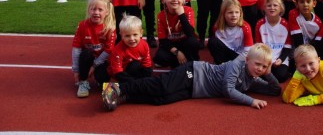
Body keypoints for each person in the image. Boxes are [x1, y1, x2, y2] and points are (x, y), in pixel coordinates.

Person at [102, 43, 281, 111]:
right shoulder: (237, 64)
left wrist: (269, 73)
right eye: (257, 64)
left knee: (162, 99)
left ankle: (127, 96)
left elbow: (274, 91)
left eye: (263, 66)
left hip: (194, 90)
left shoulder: (253, 79)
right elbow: (228, 89)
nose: (260, 68)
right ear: (248, 59)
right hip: (194, 72)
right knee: (162, 86)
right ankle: (116, 88)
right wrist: (251, 101)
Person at [71, 0, 116, 98]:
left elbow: (108, 51)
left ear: (107, 12)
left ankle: (99, 79)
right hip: (88, 57)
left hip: (102, 60)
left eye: (100, 10)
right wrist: (76, 70)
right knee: (85, 54)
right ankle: (83, 82)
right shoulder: (82, 25)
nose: (96, 12)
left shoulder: (110, 28)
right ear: (88, 10)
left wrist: (94, 66)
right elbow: (76, 49)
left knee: (102, 77)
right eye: (93, 9)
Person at [152, 0, 199, 68]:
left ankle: (191, 62)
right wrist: (177, 52)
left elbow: (190, 34)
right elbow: (163, 40)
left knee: (193, 42)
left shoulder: (188, 11)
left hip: (185, 43)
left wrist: (181, 15)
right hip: (171, 45)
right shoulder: (161, 15)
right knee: (160, 57)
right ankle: (179, 60)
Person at [255, 0, 292, 83]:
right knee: (258, 73)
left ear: (281, 9)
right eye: (269, 5)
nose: (272, 8)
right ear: (264, 8)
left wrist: (281, 59)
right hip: (264, 58)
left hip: (280, 58)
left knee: (281, 76)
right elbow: (258, 46)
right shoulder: (260, 23)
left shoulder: (285, 24)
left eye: (275, 5)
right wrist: (266, 60)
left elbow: (287, 46)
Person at [207, 0, 254, 64]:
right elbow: (217, 48)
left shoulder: (245, 27)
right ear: (223, 14)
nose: (234, 15)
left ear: (240, 13)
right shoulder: (217, 27)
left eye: (237, 12)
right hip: (224, 56)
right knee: (212, 42)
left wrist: (235, 63)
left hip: (239, 57)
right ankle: (220, 68)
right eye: (230, 12)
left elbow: (248, 50)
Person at [108, 15, 153, 83]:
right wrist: (133, 82)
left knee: (138, 67)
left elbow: (147, 64)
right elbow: (117, 71)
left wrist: (146, 80)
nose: (132, 39)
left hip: (134, 69)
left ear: (141, 33)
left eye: (135, 34)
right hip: (120, 73)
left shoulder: (144, 45)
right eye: (127, 36)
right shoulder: (117, 50)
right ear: (121, 35)